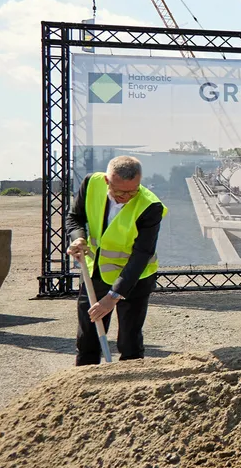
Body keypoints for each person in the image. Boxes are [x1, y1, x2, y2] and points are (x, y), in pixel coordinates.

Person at [65, 155, 167, 365]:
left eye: (133, 190)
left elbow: (142, 254)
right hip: (96, 274)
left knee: (129, 340)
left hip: (135, 278)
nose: (127, 197)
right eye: (120, 192)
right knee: (88, 337)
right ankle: (85, 382)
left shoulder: (151, 206)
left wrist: (113, 296)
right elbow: (74, 217)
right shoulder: (92, 183)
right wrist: (78, 239)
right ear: (107, 181)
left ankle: (130, 385)